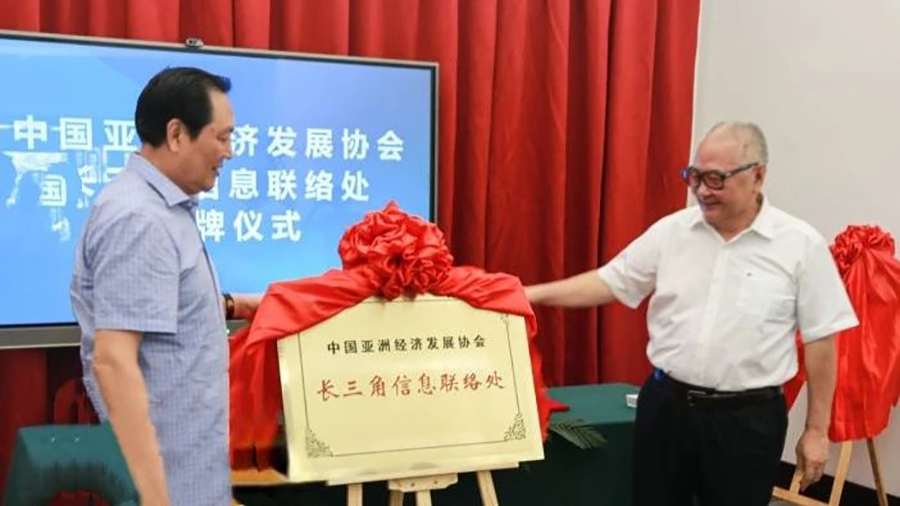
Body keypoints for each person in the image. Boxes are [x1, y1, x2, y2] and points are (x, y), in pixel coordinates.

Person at [525, 122, 858, 506]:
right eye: (694, 176)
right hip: (667, 408)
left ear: (758, 176)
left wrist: (816, 430)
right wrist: (529, 294)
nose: (701, 190)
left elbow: (821, 340)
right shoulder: (673, 232)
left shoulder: (800, 245)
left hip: (747, 419)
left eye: (715, 179)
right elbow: (610, 282)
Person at [71, 67, 259, 505]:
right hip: (170, 481)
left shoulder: (164, 207)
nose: (229, 152)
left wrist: (235, 304)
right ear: (176, 134)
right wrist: (155, 495)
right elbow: (113, 361)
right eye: (221, 137)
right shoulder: (140, 218)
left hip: (193, 469)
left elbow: (162, 304)